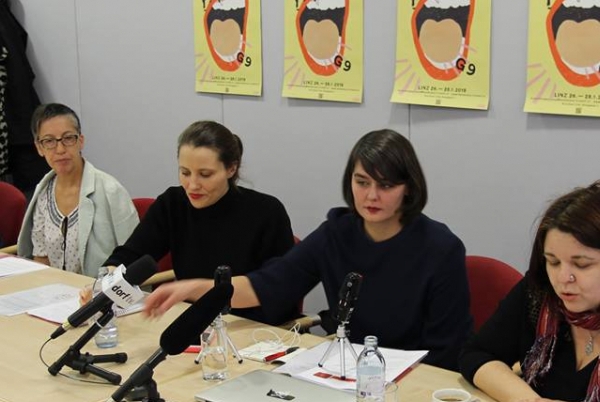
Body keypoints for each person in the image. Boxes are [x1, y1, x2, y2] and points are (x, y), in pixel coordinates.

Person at [145, 129, 472, 371]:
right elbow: (268, 285)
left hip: (415, 377)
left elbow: (446, 353)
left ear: (408, 188)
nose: (371, 195)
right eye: (362, 182)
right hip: (345, 370)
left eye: (385, 185)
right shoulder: (336, 233)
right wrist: (195, 288)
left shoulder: (440, 249)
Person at [104, 120, 296, 324]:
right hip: (193, 322)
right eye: (185, 172)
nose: (192, 185)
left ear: (231, 169)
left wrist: (193, 289)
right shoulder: (172, 204)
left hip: (252, 327)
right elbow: (130, 255)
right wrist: (105, 282)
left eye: (205, 175)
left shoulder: (266, 212)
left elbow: (278, 288)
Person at [459, 182, 600, 402]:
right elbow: (477, 354)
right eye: (553, 262)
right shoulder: (540, 294)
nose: (563, 278)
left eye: (581, 265)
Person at [17, 103, 138, 276]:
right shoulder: (43, 194)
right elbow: (41, 259)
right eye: (49, 141)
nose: (60, 149)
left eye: (68, 138)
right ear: (39, 148)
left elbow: (134, 257)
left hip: (100, 290)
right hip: (56, 289)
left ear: (80, 141)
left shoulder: (111, 191)